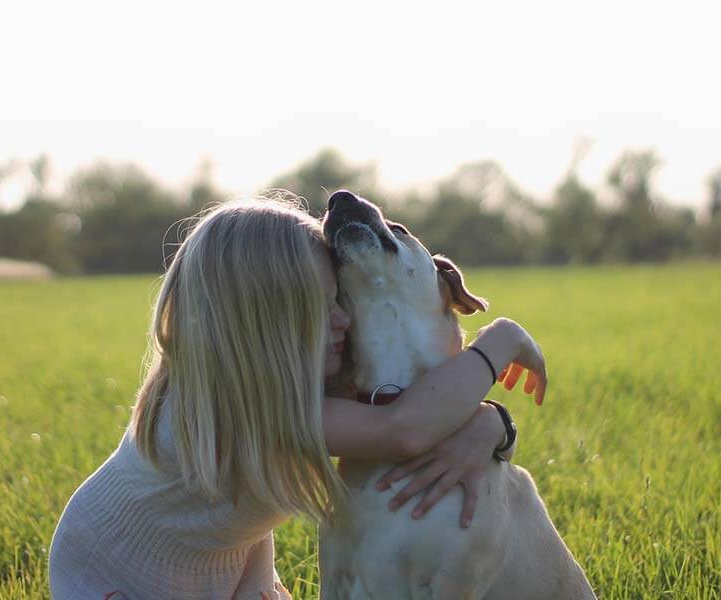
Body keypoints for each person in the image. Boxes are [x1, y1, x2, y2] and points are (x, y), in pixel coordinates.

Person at [48, 198, 546, 599]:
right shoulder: (246, 409)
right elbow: (403, 429)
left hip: (220, 565)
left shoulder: (285, 381)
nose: (343, 320)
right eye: (323, 306)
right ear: (263, 324)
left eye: (340, 300)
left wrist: (491, 424)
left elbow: (419, 406)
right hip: (118, 567)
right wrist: (500, 340)